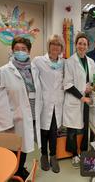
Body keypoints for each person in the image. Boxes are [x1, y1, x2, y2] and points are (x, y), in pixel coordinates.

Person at [0, 36, 41, 180]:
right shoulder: (3, 71)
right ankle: (14, 171)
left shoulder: (33, 69)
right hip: (13, 118)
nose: (20, 52)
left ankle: (20, 168)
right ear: (12, 50)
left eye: (24, 49)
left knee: (25, 145)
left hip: (31, 113)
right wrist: (6, 122)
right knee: (14, 147)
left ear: (29, 51)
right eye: (17, 49)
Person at [63, 32, 95, 168]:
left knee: (85, 128)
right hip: (75, 99)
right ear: (76, 45)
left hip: (87, 99)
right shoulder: (70, 61)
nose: (82, 46)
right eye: (80, 43)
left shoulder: (91, 62)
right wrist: (82, 96)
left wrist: (92, 87)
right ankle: (74, 154)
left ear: (87, 46)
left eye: (84, 44)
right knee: (72, 129)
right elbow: (68, 84)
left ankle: (83, 151)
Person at [32, 34, 65, 173]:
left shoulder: (64, 63)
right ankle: (44, 155)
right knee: (43, 131)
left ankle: (53, 156)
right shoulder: (38, 61)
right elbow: (32, 80)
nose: (55, 47)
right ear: (49, 46)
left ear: (61, 48)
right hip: (44, 102)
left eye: (58, 45)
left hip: (57, 102)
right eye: (53, 44)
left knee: (53, 131)